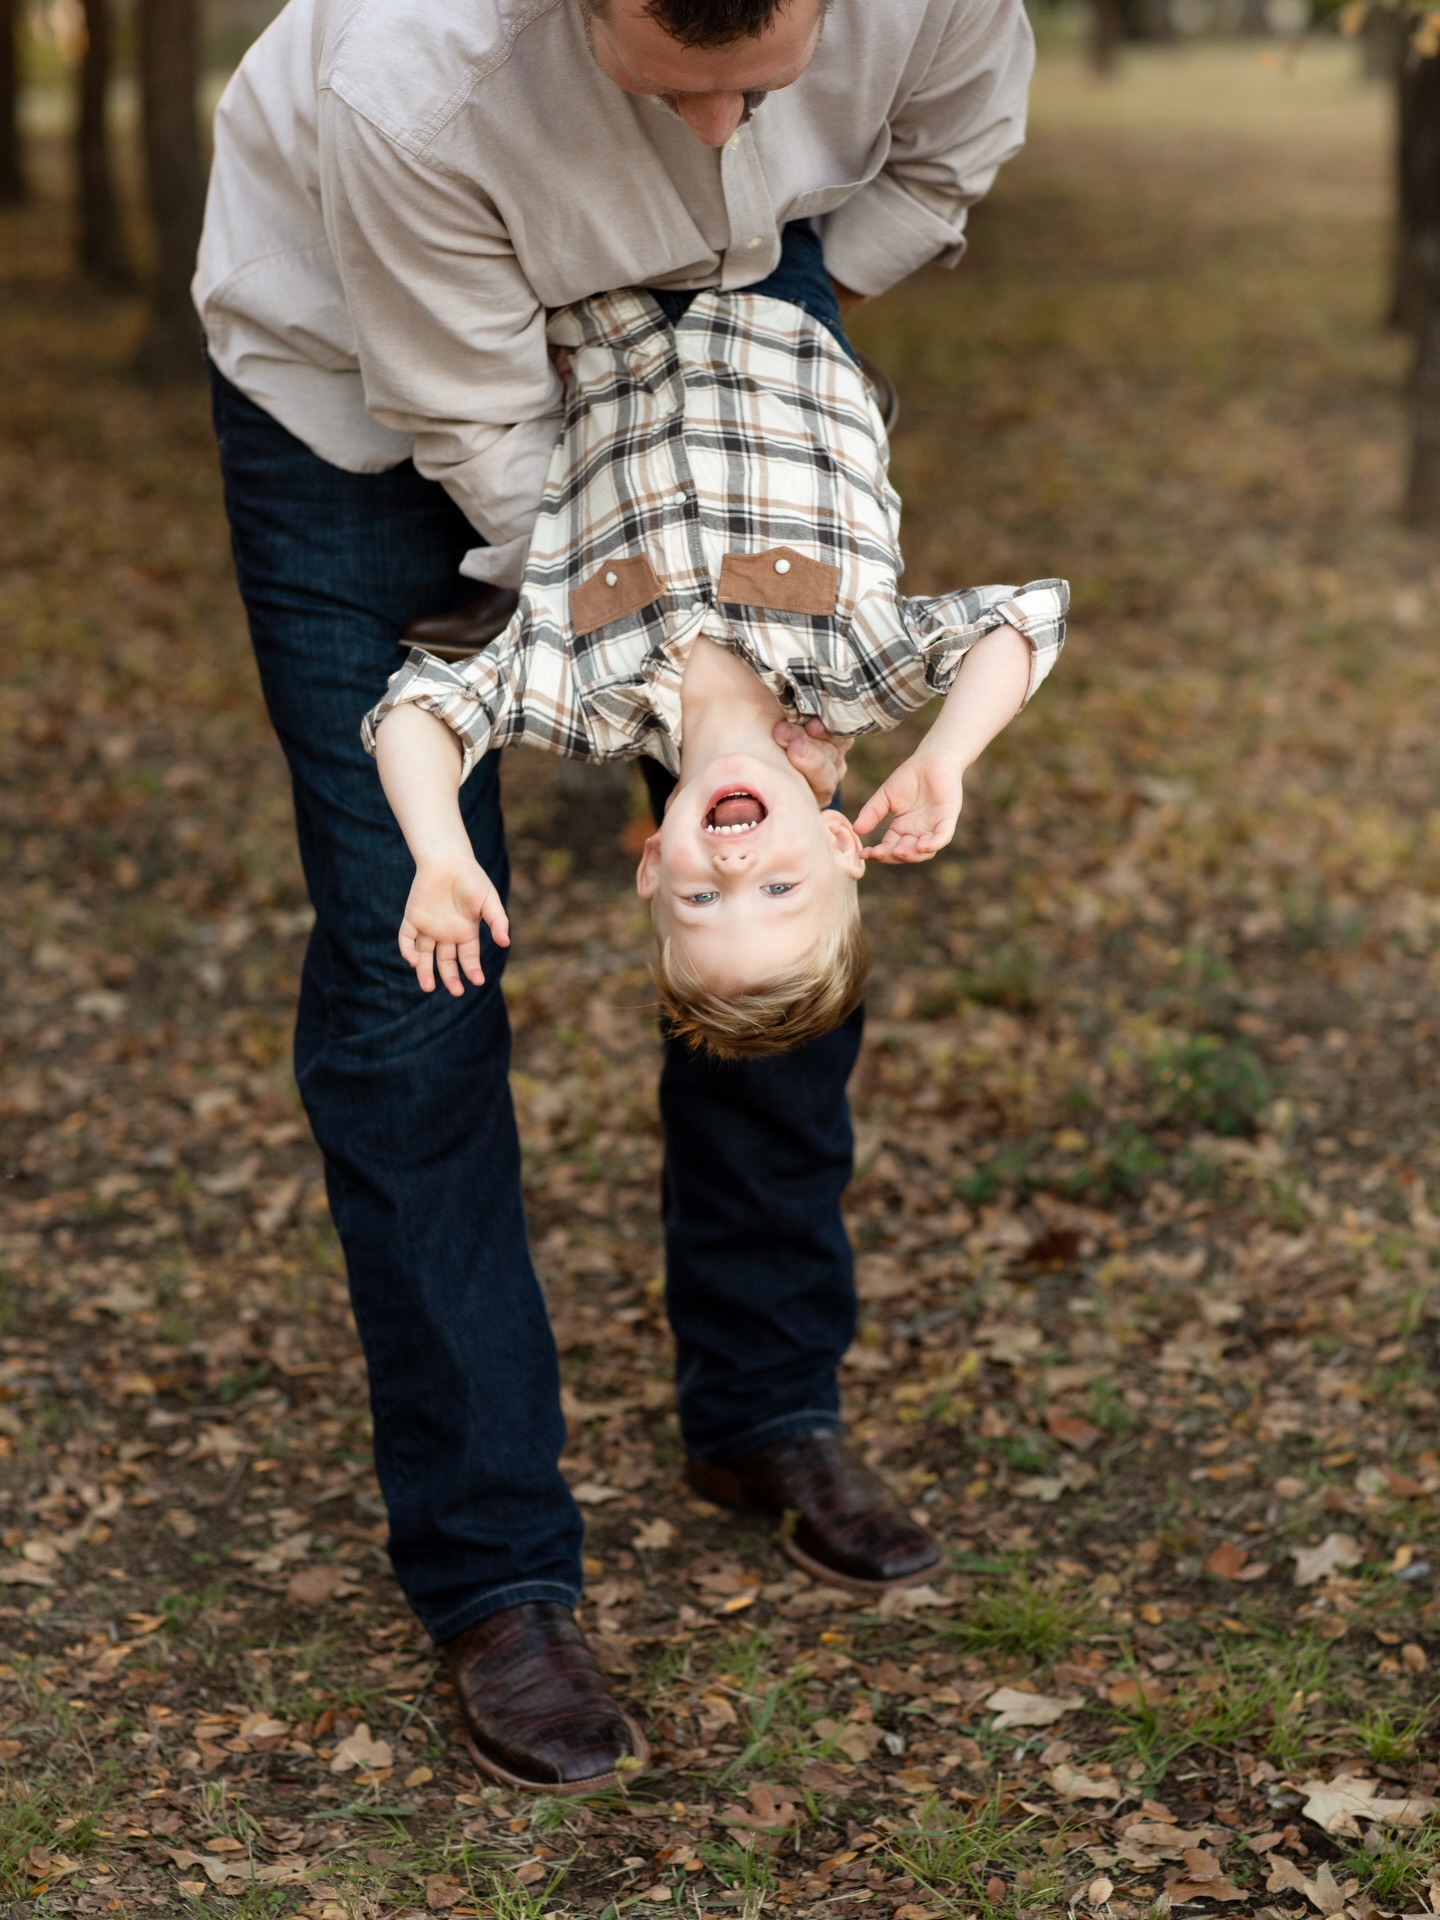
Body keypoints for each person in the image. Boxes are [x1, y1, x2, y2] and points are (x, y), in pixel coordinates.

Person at [195, 0, 1040, 1794]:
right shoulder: (416, 71)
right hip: (375, 392)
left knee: (780, 925)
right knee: (409, 974)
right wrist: (682, 659)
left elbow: (940, 161)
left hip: (719, 367)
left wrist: (774, 335)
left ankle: (764, 1405)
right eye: (677, 92)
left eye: (773, 83)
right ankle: (495, 1568)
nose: (734, 138)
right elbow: (494, 451)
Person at [363, 275, 1067, 1056]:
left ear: (655, 864)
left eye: (702, 896)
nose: (736, 863)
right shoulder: (853, 676)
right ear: (840, 846)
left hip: (594, 302)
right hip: (771, 290)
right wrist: (946, 753)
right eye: (778, 889)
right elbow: (1023, 618)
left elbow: (417, 709)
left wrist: (439, 850)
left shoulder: (586, 701)